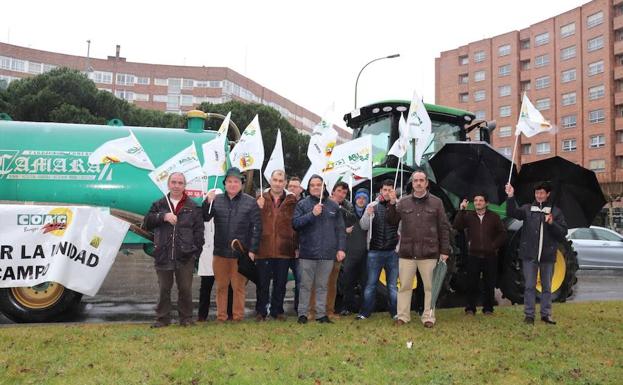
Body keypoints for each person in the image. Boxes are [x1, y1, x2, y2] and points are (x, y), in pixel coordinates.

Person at [386, 170, 450, 328]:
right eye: (416, 181)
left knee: (430, 287)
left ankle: (428, 317)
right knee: (404, 286)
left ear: (427, 183)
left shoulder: (437, 202)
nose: (419, 183)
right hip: (407, 253)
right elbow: (392, 220)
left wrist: (445, 251)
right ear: (412, 183)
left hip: (429, 253)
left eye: (422, 180)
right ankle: (402, 316)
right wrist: (392, 204)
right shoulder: (403, 202)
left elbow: (443, 227)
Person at [143, 172, 204, 328]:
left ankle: (186, 318)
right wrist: (163, 216)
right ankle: (162, 319)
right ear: (168, 184)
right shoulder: (159, 205)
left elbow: (199, 232)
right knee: (164, 288)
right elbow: (147, 222)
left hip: (185, 256)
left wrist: (195, 252)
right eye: (174, 182)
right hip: (163, 254)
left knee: (185, 289)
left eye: (180, 183)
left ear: (185, 186)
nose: (176, 185)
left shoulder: (193, 206)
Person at [203, 167, 262, 322]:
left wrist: (253, 250)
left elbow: (257, 228)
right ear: (224, 184)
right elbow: (205, 216)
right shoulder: (217, 199)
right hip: (220, 252)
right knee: (221, 287)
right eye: (229, 181)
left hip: (240, 254)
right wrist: (206, 201)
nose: (232, 184)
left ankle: (237, 317)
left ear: (241, 184)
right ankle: (221, 317)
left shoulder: (250, 202)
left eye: (236, 181)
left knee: (238, 287)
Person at [505, 182, 567, 325]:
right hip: (529, 255)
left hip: (547, 256)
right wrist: (510, 196)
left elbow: (562, 232)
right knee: (529, 286)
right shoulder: (527, 209)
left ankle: (546, 314)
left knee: (546, 287)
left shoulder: (555, 212)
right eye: (537, 192)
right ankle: (529, 315)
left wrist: (552, 223)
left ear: (548, 194)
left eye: (542, 193)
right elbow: (512, 213)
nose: (539, 195)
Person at [292, 174, 346, 324]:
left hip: (327, 254)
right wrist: (312, 214)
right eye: (312, 185)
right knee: (305, 285)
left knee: (323, 285)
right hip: (308, 253)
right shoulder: (302, 204)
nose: (316, 187)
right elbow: (295, 224)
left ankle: (321, 314)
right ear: (309, 188)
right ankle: (302, 314)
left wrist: (341, 248)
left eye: (318, 184)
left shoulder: (334, 206)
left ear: (324, 187)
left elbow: (340, 230)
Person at [453, 193, 506, 316]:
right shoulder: (469, 216)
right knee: (471, 283)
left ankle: (488, 309)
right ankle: (470, 309)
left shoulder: (494, 217)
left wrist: (493, 246)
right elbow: (456, 225)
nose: (478, 203)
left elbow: (503, 234)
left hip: (490, 256)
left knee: (489, 284)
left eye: (481, 200)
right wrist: (461, 210)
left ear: (486, 203)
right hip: (473, 255)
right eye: (476, 200)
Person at [255, 169, 298, 321]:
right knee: (262, 284)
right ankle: (261, 311)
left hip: (284, 249)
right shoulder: (260, 198)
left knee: (281, 283)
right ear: (270, 181)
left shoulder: (292, 201)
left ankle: (277, 311)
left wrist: (295, 245)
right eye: (275, 180)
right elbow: (253, 222)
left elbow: (296, 224)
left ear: (285, 183)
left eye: (281, 181)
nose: (278, 183)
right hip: (264, 248)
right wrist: (256, 206)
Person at [309, 181, 355, 319]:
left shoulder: (347, 207)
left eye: (345, 193)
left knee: (332, 283)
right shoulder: (322, 203)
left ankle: (329, 310)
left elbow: (346, 227)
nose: (341, 194)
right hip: (321, 250)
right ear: (333, 191)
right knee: (316, 282)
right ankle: (312, 311)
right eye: (339, 191)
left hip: (337, 252)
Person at [356, 180, 400, 320]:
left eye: (390, 190)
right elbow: (363, 226)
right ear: (381, 190)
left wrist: (399, 247)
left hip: (393, 252)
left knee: (392, 286)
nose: (387, 192)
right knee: (370, 285)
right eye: (385, 189)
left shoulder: (399, 206)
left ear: (394, 191)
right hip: (374, 252)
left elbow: (402, 227)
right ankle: (365, 313)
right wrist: (367, 214)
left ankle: (395, 313)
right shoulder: (372, 206)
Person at [339, 189, 370, 316]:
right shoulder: (347, 213)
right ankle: (347, 307)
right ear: (355, 199)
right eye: (359, 197)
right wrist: (344, 230)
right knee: (348, 282)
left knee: (365, 282)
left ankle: (364, 308)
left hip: (366, 253)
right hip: (350, 253)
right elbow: (338, 228)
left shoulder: (370, 213)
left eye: (364, 198)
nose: (361, 200)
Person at [286, 176, 304, 312]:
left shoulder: (305, 204)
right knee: (279, 282)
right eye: (290, 186)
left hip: (299, 251)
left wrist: (298, 246)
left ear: (301, 189)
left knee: (300, 281)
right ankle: (275, 309)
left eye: (295, 186)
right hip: (283, 249)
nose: (292, 188)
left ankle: (299, 308)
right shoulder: (282, 202)